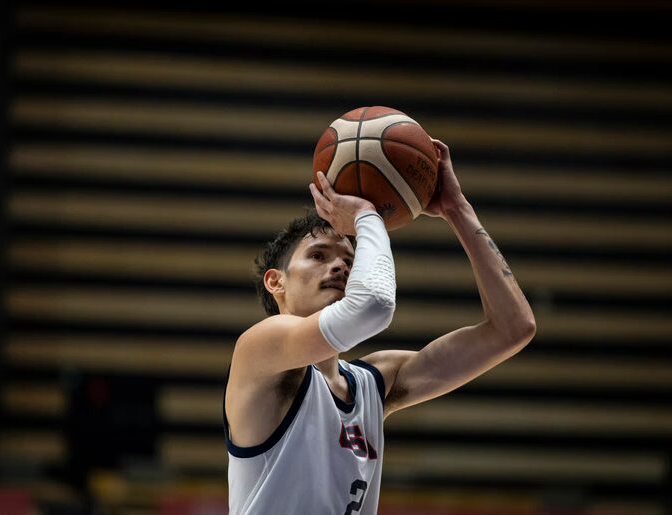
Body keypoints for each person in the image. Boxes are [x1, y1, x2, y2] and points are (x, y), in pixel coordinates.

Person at [223, 139, 537, 514]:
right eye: (318, 255)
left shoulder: (373, 382)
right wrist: (366, 216)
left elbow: (513, 328)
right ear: (276, 281)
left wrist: (457, 209)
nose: (339, 267)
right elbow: (372, 305)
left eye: (350, 261)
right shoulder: (260, 347)